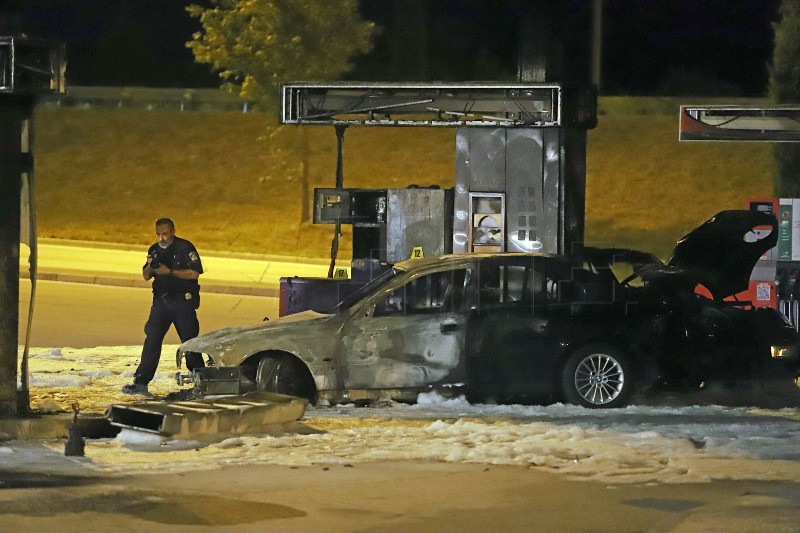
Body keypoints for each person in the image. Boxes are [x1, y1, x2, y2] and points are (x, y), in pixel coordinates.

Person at [122, 218, 205, 396]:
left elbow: (194, 272)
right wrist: (152, 266)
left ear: (173, 231)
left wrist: (170, 272)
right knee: (152, 339)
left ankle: (202, 382)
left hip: (182, 301)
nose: (162, 238)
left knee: (190, 342)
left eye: (165, 233)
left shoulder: (185, 248)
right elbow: (145, 275)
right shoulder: (154, 249)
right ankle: (141, 381)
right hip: (161, 302)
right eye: (158, 234)